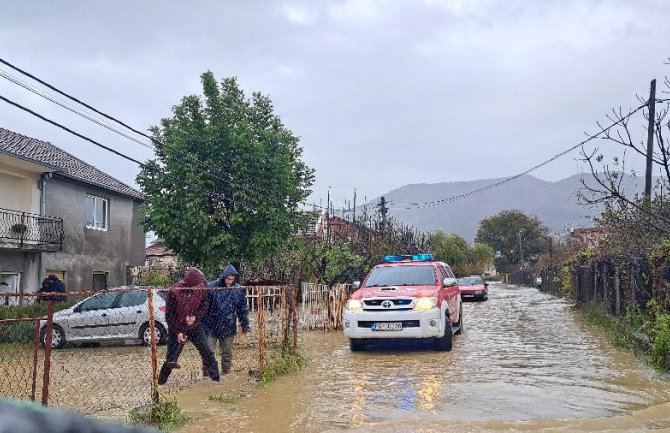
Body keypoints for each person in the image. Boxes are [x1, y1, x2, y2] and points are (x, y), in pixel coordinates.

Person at [158, 267, 219, 385]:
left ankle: (216, 380)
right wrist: (178, 332)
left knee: (207, 351)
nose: (199, 286)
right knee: (171, 358)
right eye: (197, 284)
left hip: (194, 327)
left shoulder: (201, 289)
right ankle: (160, 383)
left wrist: (195, 316)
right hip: (177, 327)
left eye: (200, 284)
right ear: (190, 283)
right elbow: (169, 315)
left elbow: (204, 305)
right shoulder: (175, 291)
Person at [202, 264, 250, 375]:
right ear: (224, 277)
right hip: (211, 326)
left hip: (228, 326)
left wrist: (245, 325)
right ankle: (207, 377)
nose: (229, 281)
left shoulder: (237, 289)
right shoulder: (211, 287)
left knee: (227, 354)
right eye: (228, 279)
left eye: (232, 279)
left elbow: (242, 309)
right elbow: (202, 307)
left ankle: (226, 374)